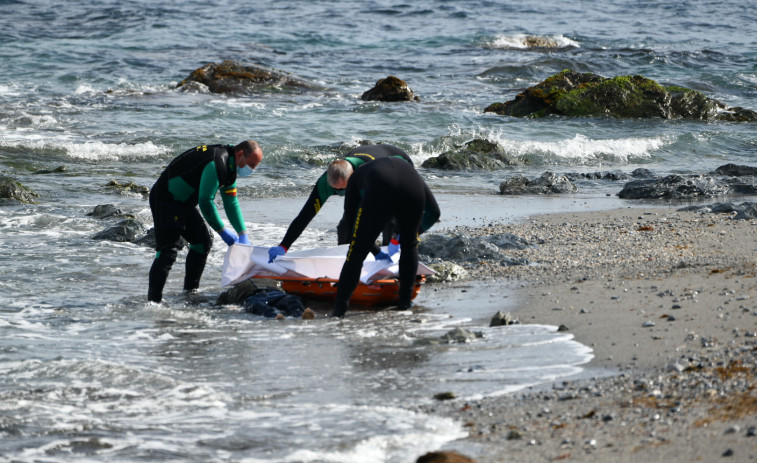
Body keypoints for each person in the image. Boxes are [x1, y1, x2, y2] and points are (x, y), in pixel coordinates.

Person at [147, 140, 263, 303]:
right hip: (166, 199)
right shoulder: (218, 163)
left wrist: (242, 233)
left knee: (202, 243)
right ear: (240, 154)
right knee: (169, 251)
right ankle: (153, 302)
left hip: (184, 202)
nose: (252, 170)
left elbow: (231, 202)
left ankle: (189, 294)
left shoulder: (230, 166)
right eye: (251, 164)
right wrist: (223, 231)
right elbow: (205, 201)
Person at [331, 156, 440, 317]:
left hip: (381, 187)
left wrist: (371, 248)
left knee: (356, 251)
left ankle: (339, 312)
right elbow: (435, 212)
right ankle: (404, 304)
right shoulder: (407, 169)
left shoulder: (356, 177)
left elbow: (351, 221)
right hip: (413, 186)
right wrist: (409, 233)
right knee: (410, 245)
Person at [267, 144, 413, 263]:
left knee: (387, 222)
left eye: (344, 188)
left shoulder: (371, 174)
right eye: (336, 190)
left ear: (353, 177)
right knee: (345, 229)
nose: (340, 191)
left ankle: (391, 262)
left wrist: (383, 246)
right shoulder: (325, 183)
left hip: (397, 166)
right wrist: (284, 246)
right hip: (363, 173)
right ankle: (346, 262)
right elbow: (305, 216)